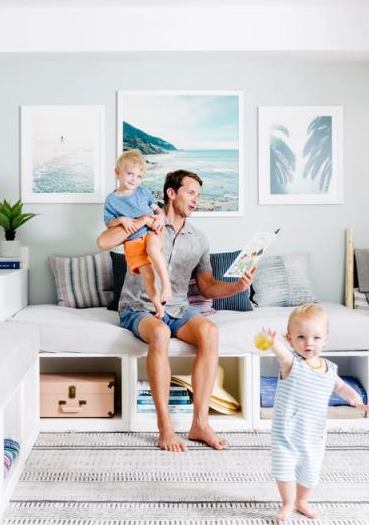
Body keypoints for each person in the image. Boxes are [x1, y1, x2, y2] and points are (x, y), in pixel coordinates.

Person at [97, 169, 255, 453]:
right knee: (159, 333)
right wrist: (133, 222)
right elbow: (103, 241)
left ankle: (200, 423)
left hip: (179, 308)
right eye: (191, 193)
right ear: (172, 193)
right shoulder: (146, 222)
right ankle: (165, 428)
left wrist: (237, 288)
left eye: (198, 195)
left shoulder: (200, 239)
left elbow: (206, 287)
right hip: (138, 307)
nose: (196, 200)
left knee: (209, 331)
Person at [260, 304, 369, 522]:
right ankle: (288, 503)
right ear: (290, 338)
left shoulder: (329, 368)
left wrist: (354, 398)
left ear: (325, 339)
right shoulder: (292, 363)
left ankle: (302, 501)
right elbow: (282, 354)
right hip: (287, 432)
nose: (309, 343)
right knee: (284, 469)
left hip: (314, 434)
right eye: (301, 337)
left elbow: (339, 386)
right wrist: (274, 344)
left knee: (310, 472)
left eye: (316, 338)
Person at [103, 150, 172, 316]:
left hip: (150, 232)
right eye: (130, 174)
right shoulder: (111, 200)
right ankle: (158, 307)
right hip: (132, 242)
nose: (134, 179)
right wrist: (121, 220)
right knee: (147, 276)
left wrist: (160, 218)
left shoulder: (143, 192)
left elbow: (158, 211)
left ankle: (166, 284)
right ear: (117, 173)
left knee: (153, 250)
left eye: (139, 176)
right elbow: (109, 222)